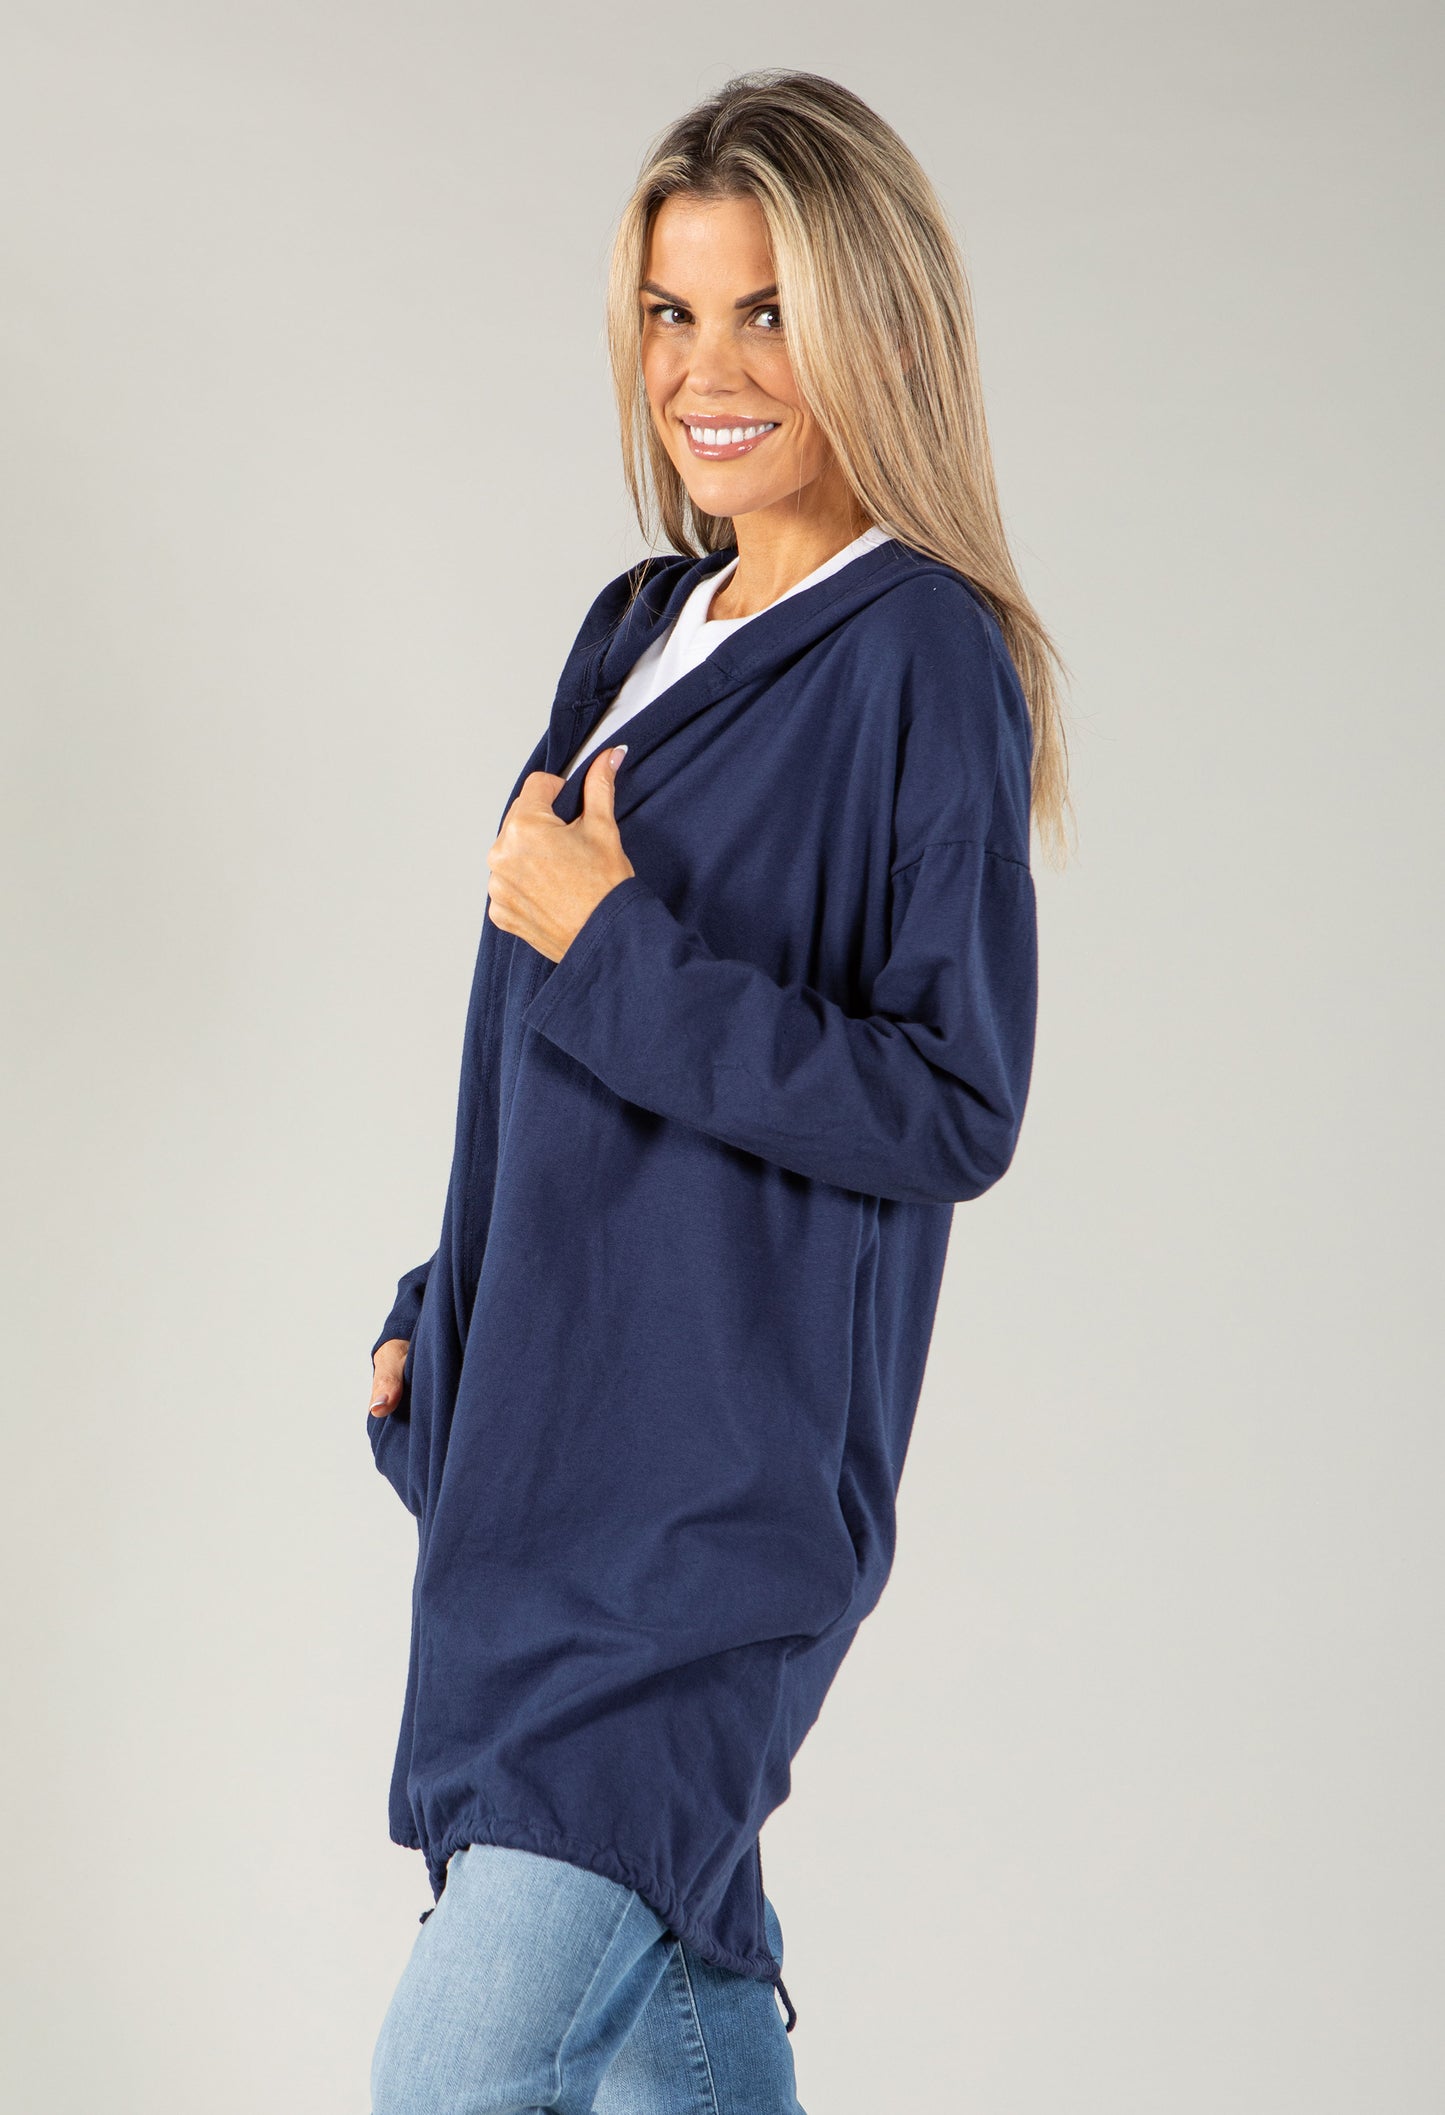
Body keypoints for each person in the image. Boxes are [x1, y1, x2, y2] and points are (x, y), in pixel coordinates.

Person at [364, 66, 1072, 2115]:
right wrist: (447, 1310)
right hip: (545, 1473)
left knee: (451, 2078)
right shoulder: (636, 629)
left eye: (768, 312)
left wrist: (615, 942)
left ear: (876, 328)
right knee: (671, 2039)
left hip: (706, 1515)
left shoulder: (918, 654)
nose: (707, 370)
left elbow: (950, 1101)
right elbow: (538, 1069)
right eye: (671, 313)